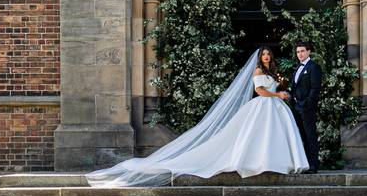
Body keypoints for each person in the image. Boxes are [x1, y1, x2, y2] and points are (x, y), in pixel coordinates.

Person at [85, 46, 308, 187]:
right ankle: (256, 162)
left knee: (268, 137)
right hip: (263, 106)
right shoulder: (258, 72)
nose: (267, 57)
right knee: (254, 136)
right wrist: (278, 94)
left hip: (273, 108)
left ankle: (273, 162)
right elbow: (259, 91)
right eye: (264, 55)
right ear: (259, 58)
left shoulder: (270, 72)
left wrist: (279, 94)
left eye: (268, 54)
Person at [290, 41, 322, 173]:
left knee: (310, 136)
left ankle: (313, 165)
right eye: (298, 52)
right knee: (301, 136)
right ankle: (305, 164)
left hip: (307, 108)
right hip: (297, 107)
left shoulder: (314, 67)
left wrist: (307, 105)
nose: (300, 54)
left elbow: (315, 89)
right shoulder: (298, 68)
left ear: (309, 51)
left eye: (302, 51)